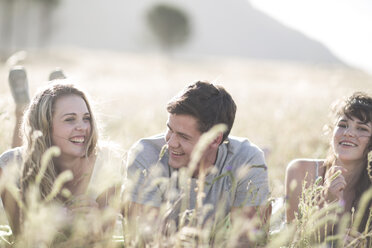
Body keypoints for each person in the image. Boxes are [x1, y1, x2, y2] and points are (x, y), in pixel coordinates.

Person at [125, 81, 270, 245]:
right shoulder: (145, 154)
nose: (171, 143)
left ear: (215, 139)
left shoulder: (247, 159)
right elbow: (144, 239)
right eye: (170, 130)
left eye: (183, 136)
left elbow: (248, 241)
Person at [0, 79, 123, 244]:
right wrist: (59, 219)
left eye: (86, 118)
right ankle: (21, 109)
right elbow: (23, 238)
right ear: (45, 126)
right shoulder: (8, 166)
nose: (83, 127)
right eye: (70, 119)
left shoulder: (108, 162)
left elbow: (104, 240)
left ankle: (57, 81)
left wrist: (96, 225)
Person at [285, 92, 372, 241]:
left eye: (362, 129)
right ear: (332, 132)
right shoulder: (301, 170)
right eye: (343, 125)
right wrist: (329, 201)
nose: (349, 133)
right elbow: (295, 240)